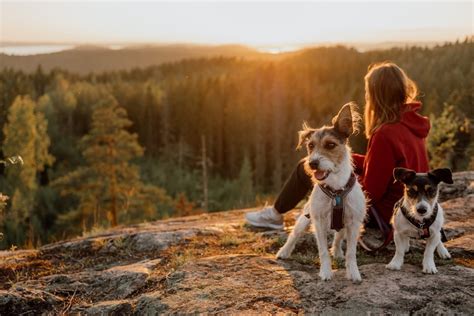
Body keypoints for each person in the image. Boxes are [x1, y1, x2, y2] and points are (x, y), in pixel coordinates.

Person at [245, 62, 430, 230]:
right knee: (326, 165)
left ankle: (274, 215)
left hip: (384, 214)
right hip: (410, 208)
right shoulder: (411, 123)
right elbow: (388, 166)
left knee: (307, 167)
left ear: (376, 95)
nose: (366, 97)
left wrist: (339, 172)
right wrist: (346, 159)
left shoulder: (385, 133)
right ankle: (284, 212)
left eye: (368, 92)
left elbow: (371, 192)